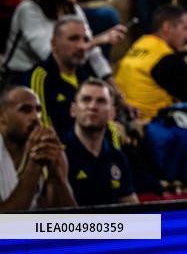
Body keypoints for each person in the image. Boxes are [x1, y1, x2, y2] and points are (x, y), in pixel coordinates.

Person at [6, 0, 123, 79]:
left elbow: (94, 55)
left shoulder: (73, 9)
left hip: (56, 75)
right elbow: (51, 55)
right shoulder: (28, 9)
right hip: (22, 76)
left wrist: (114, 89)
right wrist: (98, 40)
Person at [115, 4, 187, 121]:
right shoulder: (167, 58)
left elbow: (185, 89)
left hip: (126, 118)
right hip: (152, 125)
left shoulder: (140, 43)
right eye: (185, 28)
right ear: (166, 27)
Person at [62, 78, 138, 206]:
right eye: (86, 100)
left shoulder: (117, 157)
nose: (92, 106)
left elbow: (131, 204)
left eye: (101, 101)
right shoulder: (59, 153)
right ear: (73, 110)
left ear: (112, 113)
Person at [0, 85, 76, 209]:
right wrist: (33, 168)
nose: (36, 117)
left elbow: (70, 223)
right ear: (2, 116)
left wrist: (55, 174)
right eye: (25, 110)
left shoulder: (51, 150)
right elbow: (6, 224)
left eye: (38, 110)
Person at [24, 16, 96, 138]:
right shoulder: (39, 77)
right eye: (74, 39)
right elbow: (42, 131)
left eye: (86, 40)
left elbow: (106, 123)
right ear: (54, 44)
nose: (82, 46)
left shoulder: (87, 77)